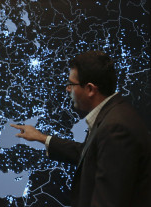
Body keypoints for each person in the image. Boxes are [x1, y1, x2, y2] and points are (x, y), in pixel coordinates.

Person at [11, 51, 151, 207]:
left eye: (72, 84)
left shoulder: (116, 128)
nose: (68, 89)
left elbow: (108, 201)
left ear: (90, 89)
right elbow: (88, 154)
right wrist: (42, 138)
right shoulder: (112, 115)